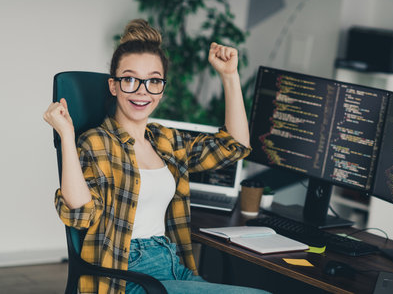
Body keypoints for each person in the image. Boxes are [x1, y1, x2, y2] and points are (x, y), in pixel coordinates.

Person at [44, 19, 269, 294]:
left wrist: (230, 76)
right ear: (113, 86)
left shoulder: (166, 140)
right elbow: (80, 215)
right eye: (129, 79)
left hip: (173, 264)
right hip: (126, 275)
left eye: (153, 81)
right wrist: (66, 135)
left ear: (162, 88)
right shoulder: (98, 142)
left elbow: (233, 146)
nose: (142, 90)